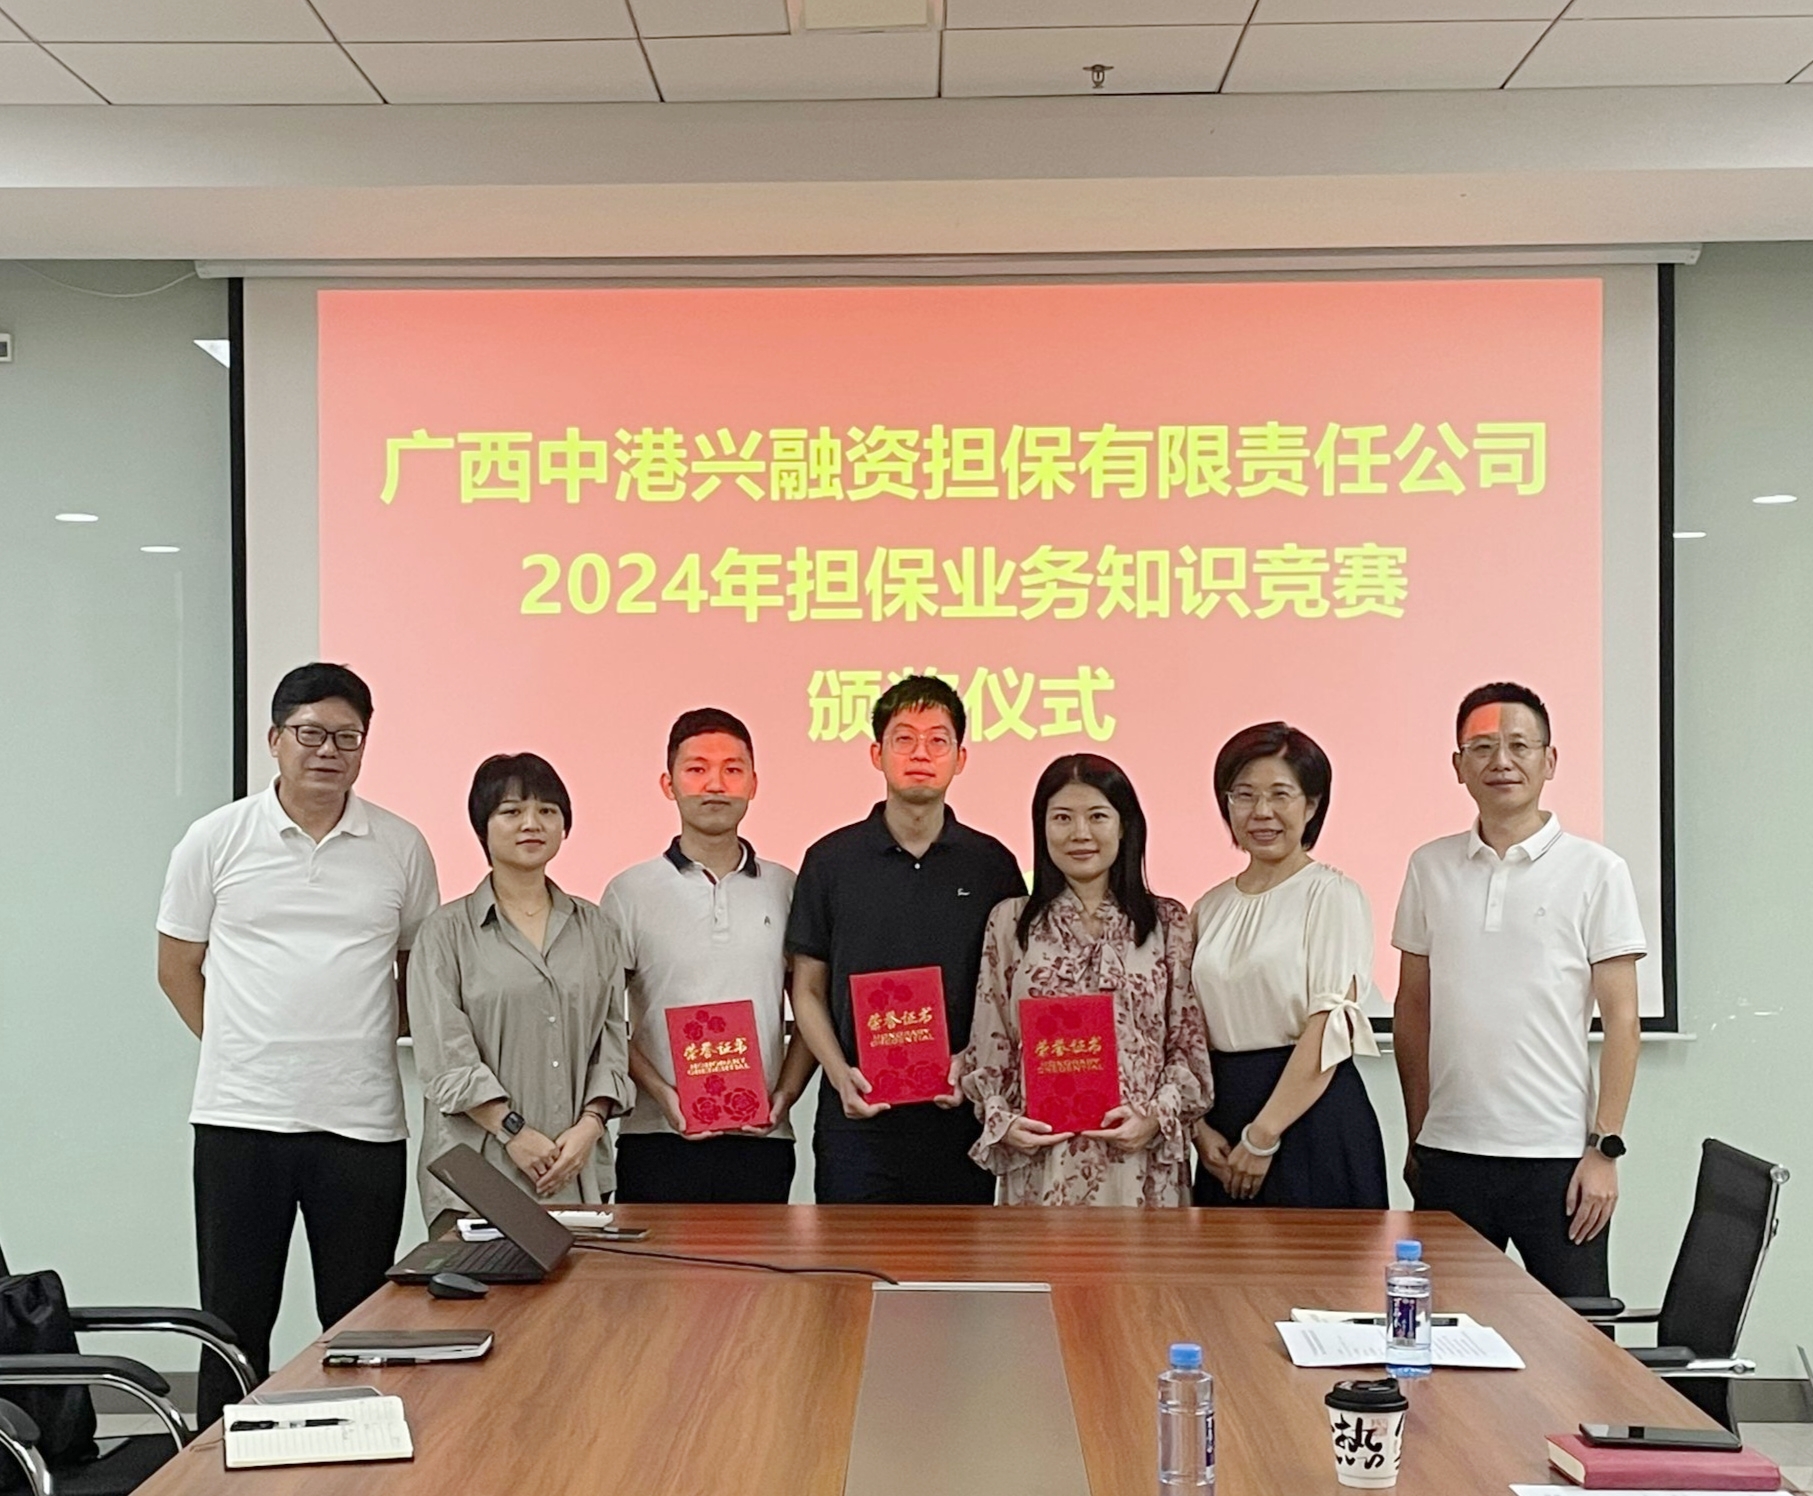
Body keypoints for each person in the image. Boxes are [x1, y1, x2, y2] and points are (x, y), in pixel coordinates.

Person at [156, 663, 439, 1428]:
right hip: (240, 1118)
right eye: (310, 733)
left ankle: (360, 1466)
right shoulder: (215, 839)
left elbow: (418, 971)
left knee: (358, 1320)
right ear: (275, 739)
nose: (328, 751)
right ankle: (214, 1467)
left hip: (361, 1121)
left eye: (348, 737)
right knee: (233, 1319)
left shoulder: (400, 845)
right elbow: (176, 967)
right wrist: (241, 1046)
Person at [1393, 682, 1645, 1298]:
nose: (1500, 761)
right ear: (1458, 766)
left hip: (1560, 1159)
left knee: (1577, 1338)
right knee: (1442, 1333)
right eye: (1481, 747)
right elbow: (1413, 1008)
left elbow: (1622, 1019)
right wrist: (1419, 1131)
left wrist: (1604, 1149)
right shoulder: (1429, 866)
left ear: (1549, 760)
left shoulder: (1597, 871)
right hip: (1450, 1154)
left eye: (1518, 746)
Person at [787, 675, 1026, 1204]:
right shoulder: (830, 861)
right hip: (857, 1120)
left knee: (959, 1257)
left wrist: (974, 1061)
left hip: (962, 1116)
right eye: (904, 739)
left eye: (938, 740)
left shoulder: (992, 865)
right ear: (877, 754)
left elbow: (1011, 992)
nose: (921, 753)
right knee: (849, 1255)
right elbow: (807, 988)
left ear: (961, 758)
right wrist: (839, 1074)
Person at [961, 755, 1212, 1206]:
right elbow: (991, 1040)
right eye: (1062, 818)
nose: (1080, 833)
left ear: (1124, 826)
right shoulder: (1010, 922)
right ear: (1042, 828)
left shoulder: (1166, 922)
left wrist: (1154, 1117)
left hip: (1140, 1161)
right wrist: (1003, 1120)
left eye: (1097, 816)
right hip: (1043, 1159)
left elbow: (1186, 1043)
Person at [600, 709, 815, 1203]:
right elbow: (605, 1019)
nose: (715, 784)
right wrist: (664, 1095)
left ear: (754, 784)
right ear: (668, 783)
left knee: (762, 1259)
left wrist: (785, 1096)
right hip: (656, 1136)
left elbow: (810, 1007)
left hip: (762, 1138)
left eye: (732, 769)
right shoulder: (629, 892)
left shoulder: (787, 887)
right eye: (697, 769)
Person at [407, 753, 630, 1226]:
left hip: (575, 1169)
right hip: (475, 1175)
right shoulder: (445, 932)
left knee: (583, 1279)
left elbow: (612, 1043)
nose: (532, 823)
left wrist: (590, 1126)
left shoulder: (597, 928)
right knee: (478, 1278)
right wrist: (513, 1131)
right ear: (482, 827)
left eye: (547, 810)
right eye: (511, 811)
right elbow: (445, 1056)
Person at [1190, 722, 1389, 1209]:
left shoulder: (1332, 895)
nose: (1261, 812)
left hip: (1310, 1118)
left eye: (1280, 794)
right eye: (1244, 795)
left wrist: (1262, 1136)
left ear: (1312, 805)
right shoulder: (1208, 907)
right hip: (1225, 1123)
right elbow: (1185, 1029)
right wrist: (1198, 1129)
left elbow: (1327, 1028)